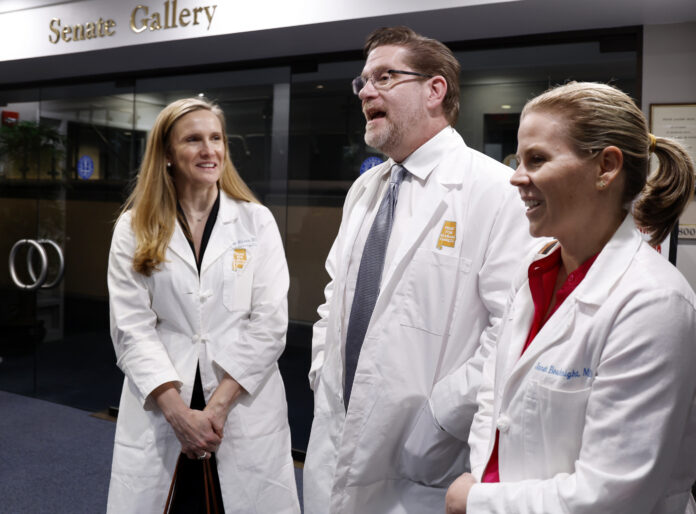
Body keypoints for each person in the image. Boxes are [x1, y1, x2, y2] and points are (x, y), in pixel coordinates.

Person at [303, 26, 537, 514]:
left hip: (427, 458)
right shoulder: (365, 190)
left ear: (436, 90)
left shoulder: (495, 192)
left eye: (385, 77)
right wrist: (322, 368)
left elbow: (512, 330)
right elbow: (335, 296)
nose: (366, 91)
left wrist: (439, 420)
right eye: (363, 82)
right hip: (339, 424)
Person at [445, 81, 696, 514]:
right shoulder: (535, 267)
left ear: (606, 166)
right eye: (518, 158)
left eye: (537, 159)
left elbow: (612, 495)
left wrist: (479, 501)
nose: (515, 176)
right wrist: (485, 480)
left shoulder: (653, 304)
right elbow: (496, 402)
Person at [106, 97, 300, 513]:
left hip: (238, 402)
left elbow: (269, 325)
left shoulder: (256, 221)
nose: (209, 150)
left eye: (216, 138)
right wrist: (179, 415)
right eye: (193, 139)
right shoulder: (134, 225)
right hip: (165, 399)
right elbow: (131, 328)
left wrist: (214, 410)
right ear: (168, 154)